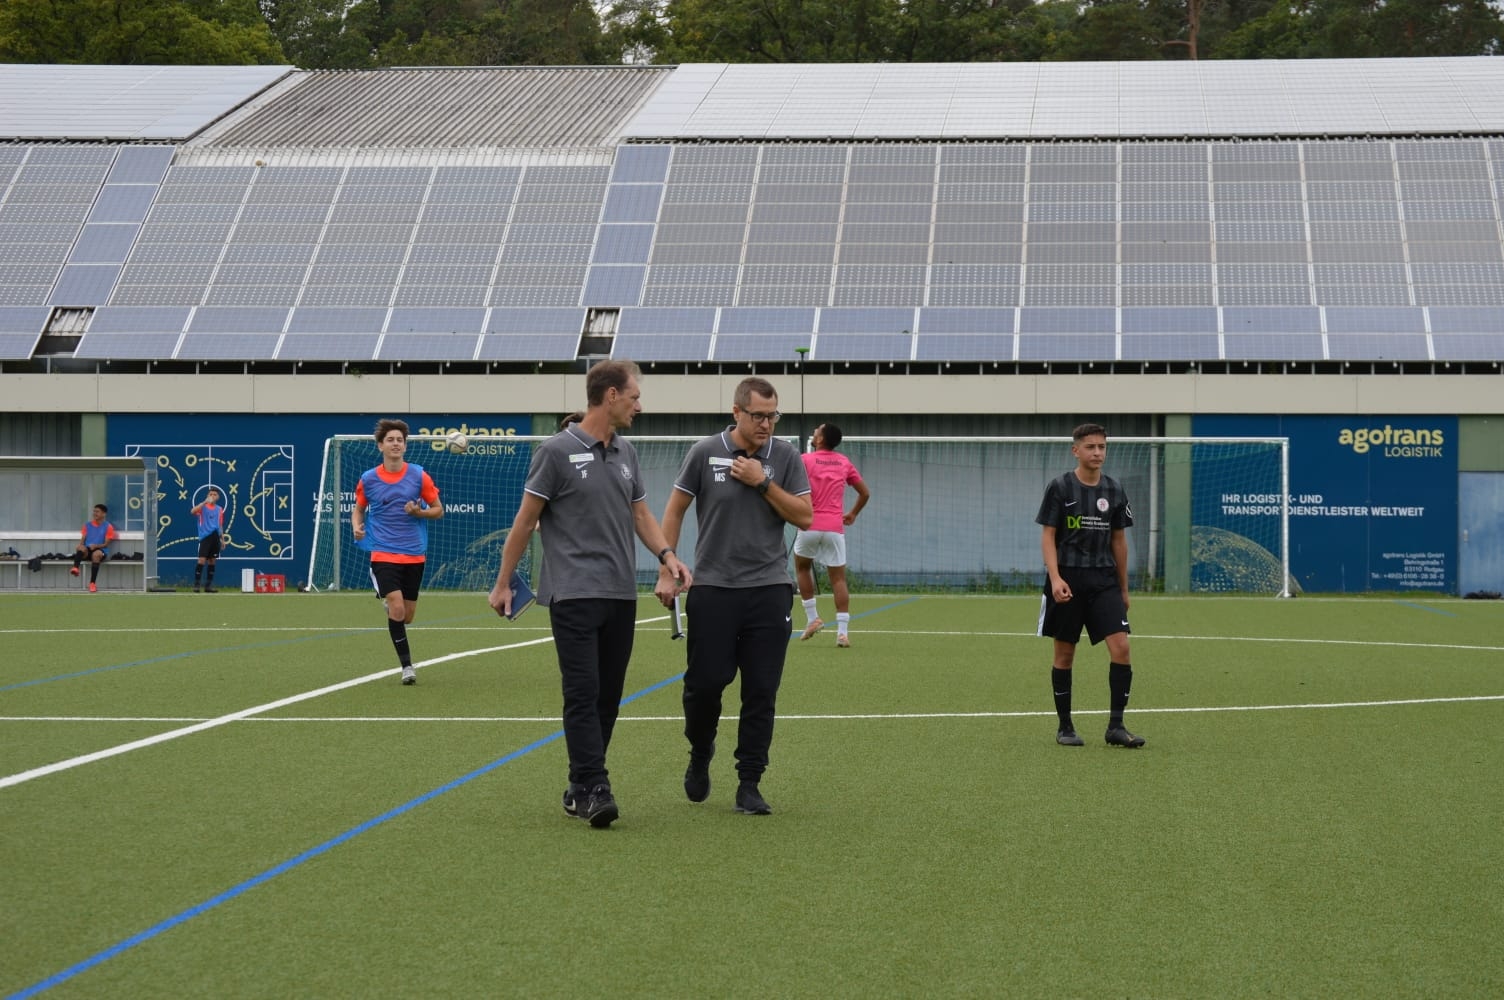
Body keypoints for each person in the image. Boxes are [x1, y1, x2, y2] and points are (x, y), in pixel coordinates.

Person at [489, 361, 690, 829]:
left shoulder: (626, 451)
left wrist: (667, 555)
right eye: (635, 397)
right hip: (572, 593)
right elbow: (525, 521)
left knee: (608, 697)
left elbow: (641, 515)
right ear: (611, 395)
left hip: (620, 593)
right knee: (582, 691)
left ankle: (579, 785)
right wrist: (503, 582)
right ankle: (596, 786)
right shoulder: (555, 452)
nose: (640, 406)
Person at [658, 376, 812, 815]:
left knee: (761, 690)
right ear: (737, 412)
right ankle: (700, 750)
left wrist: (763, 482)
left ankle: (749, 782)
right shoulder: (704, 452)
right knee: (705, 685)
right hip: (713, 588)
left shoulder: (785, 457)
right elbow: (675, 509)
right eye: (758, 415)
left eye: (773, 416)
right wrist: (668, 569)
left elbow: (805, 516)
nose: (766, 424)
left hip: (769, 588)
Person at [1036, 422, 1145, 749]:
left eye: (1102, 447)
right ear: (1076, 450)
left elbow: (1119, 542)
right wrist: (1056, 578)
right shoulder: (1059, 487)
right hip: (1068, 580)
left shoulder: (1114, 489)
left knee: (1121, 648)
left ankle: (1116, 726)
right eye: (1090, 447)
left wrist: (1123, 589)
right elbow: (1048, 536)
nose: (1097, 452)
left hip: (1104, 582)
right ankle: (1065, 727)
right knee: (1065, 654)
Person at [352, 419, 443, 686]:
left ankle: (391, 605)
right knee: (398, 607)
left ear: (405, 446)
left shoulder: (419, 476)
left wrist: (419, 512)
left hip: (414, 553)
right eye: (390, 440)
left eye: (400, 440)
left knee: (407, 616)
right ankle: (407, 667)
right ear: (380, 446)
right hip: (382, 552)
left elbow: (438, 510)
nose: (395, 444)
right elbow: (358, 509)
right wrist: (357, 526)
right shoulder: (368, 479)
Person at [793, 422, 871, 647]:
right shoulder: (844, 462)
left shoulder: (804, 460)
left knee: (802, 568)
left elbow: (792, 488)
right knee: (838, 579)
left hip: (809, 524)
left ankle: (812, 619)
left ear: (820, 439)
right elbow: (865, 493)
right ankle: (843, 634)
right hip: (835, 528)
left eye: (817, 430)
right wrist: (853, 514)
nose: (814, 431)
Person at [71, 503, 115, 593]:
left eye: (97, 511)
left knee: (96, 554)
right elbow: (83, 539)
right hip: (88, 550)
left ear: (104, 514)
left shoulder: (108, 527)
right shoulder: (87, 525)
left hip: (100, 550)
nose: (95, 513)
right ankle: (75, 568)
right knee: (81, 548)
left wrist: (96, 546)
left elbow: (106, 544)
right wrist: (80, 546)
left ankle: (92, 584)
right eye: (94, 511)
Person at [191, 487, 224, 593]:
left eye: (215, 494)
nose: (212, 496)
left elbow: (220, 525)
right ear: (207, 496)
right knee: (201, 560)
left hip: (215, 536)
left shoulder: (219, 509)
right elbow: (192, 511)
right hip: (205, 537)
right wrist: (205, 502)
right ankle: (197, 585)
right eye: (210, 494)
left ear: (218, 497)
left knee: (212, 561)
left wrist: (222, 539)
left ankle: (208, 586)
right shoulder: (203, 507)